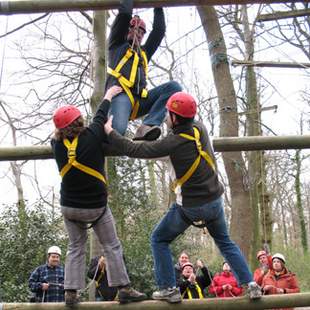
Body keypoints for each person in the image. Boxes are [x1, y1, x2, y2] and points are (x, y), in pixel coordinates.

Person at [103, 91, 262, 303]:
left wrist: (110, 132)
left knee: (159, 239)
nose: (166, 116)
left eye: (168, 113)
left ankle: (169, 288)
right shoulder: (200, 128)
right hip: (215, 201)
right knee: (225, 242)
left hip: (190, 207)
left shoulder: (171, 144)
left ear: (175, 118)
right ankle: (250, 284)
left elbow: (133, 148)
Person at [51, 85, 146, 306]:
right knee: (111, 245)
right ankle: (123, 288)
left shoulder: (56, 145)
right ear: (79, 121)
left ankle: (71, 292)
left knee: (75, 246)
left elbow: (66, 133)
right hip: (96, 208)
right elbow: (101, 114)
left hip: (69, 208)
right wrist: (109, 95)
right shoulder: (94, 134)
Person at [106, 0, 182, 141]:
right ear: (126, 30)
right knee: (116, 132)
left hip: (141, 99)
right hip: (120, 95)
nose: (138, 34)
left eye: (141, 32)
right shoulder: (116, 45)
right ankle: (102, 130)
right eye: (134, 29)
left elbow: (159, 32)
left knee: (174, 87)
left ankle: (147, 126)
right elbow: (124, 15)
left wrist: (157, 6)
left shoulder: (144, 53)